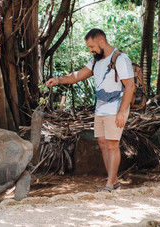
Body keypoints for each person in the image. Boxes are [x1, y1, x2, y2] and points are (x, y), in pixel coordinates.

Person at [46, 28, 135, 192]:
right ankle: (113, 181)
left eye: (92, 46)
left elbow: (130, 85)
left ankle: (109, 184)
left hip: (115, 108)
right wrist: (58, 80)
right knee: (102, 143)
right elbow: (77, 75)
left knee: (112, 145)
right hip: (100, 109)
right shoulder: (96, 60)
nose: (90, 50)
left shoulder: (120, 58)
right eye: (88, 47)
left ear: (101, 42)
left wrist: (122, 111)